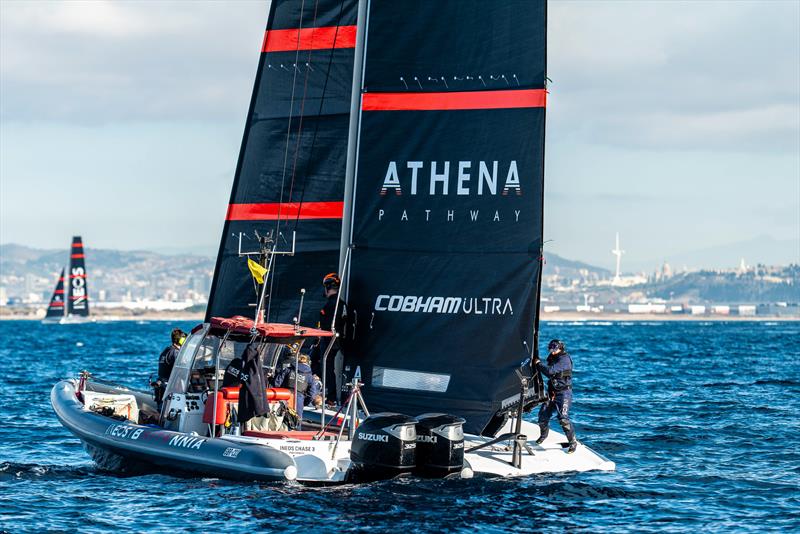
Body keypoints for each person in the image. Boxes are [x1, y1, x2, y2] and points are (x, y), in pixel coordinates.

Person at [532, 339, 578, 454]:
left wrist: (538, 364)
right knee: (542, 417)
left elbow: (550, 371)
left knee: (563, 419)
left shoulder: (565, 359)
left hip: (564, 393)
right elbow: (547, 368)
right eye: (551, 349)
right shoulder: (552, 357)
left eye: (555, 349)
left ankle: (572, 443)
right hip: (552, 392)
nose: (552, 351)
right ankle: (543, 436)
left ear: (560, 348)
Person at [314, 272, 347, 405]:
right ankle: (327, 394)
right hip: (339, 340)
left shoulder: (331, 305)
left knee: (325, 365)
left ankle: (329, 396)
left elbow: (327, 325)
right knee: (322, 364)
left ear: (327, 288)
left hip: (329, 339)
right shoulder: (342, 304)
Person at [274, 353, 321, 426]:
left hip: (284, 398)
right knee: (296, 423)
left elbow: (276, 383)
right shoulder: (309, 376)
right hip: (299, 400)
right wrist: (304, 403)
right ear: (308, 363)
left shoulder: (287, 370)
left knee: (280, 422)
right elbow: (312, 394)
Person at [153, 328, 187, 410]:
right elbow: (183, 370)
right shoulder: (175, 352)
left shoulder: (166, 350)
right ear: (181, 340)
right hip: (168, 389)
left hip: (161, 389)